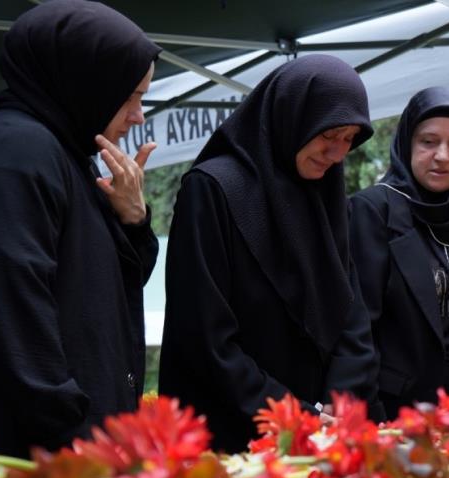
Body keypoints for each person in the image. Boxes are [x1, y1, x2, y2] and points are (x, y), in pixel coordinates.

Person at [158, 56, 384, 452]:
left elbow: (349, 310)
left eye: (349, 139)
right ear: (294, 115)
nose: (336, 153)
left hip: (318, 437)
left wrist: (338, 400)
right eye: (330, 133)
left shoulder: (324, 191)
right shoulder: (213, 190)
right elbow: (204, 337)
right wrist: (295, 416)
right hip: (235, 435)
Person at [0, 0, 160, 457]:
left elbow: (109, 289)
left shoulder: (66, 153)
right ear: (89, 83)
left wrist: (135, 219)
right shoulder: (17, 154)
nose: (139, 115)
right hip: (46, 461)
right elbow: (16, 321)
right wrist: (76, 445)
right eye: (132, 96)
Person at [349, 87, 449, 419]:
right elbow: (356, 328)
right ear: (407, 142)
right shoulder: (373, 211)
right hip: (395, 412)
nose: (442, 156)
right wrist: (371, 418)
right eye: (428, 142)